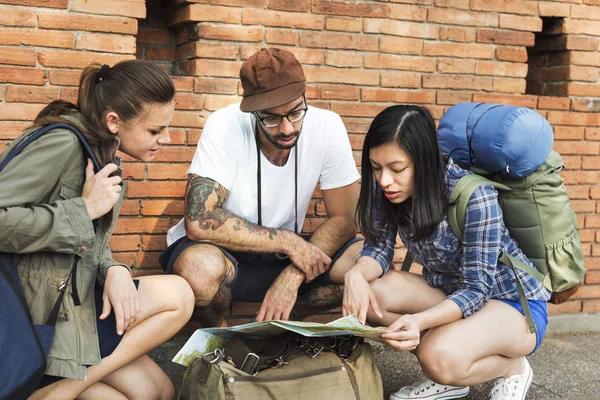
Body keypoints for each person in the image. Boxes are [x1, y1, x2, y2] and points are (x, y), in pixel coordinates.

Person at [0, 60, 194, 400]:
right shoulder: (63, 143)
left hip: (70, 303)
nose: (166, 139)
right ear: (114, 121)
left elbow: (85, 239)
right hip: (33, 317)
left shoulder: (102, 152)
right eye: (154, 130)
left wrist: (114, 268)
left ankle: (69, 385)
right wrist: (85, 209)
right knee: (178, 295)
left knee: (157, 389)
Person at [342, 105, 550, 400]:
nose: (384, 179)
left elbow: (477, 290)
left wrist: (420, 321)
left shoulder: (475, 197)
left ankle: (511, 368)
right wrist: (356, 275)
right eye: (376, 168)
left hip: (511, 305)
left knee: (435, 356)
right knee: (373, 295)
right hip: (451, 292)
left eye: (397, 168)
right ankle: (453, 373)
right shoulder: (386, 187)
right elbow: (379, 247)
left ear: (424, 161)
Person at [160, 47, 362, 327]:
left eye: (295, 113)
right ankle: (218, 342)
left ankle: (284, 324)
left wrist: (293, 275)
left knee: (363, 260)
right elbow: (199, 220)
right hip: (225, 252)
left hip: (288, 259)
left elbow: (347, 217)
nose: (287, 128)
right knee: (199, 270)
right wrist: (289, 242)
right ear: (252, 111)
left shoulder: (327, 126)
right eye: (271, 118)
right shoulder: (225, 124)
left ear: (305, 96)